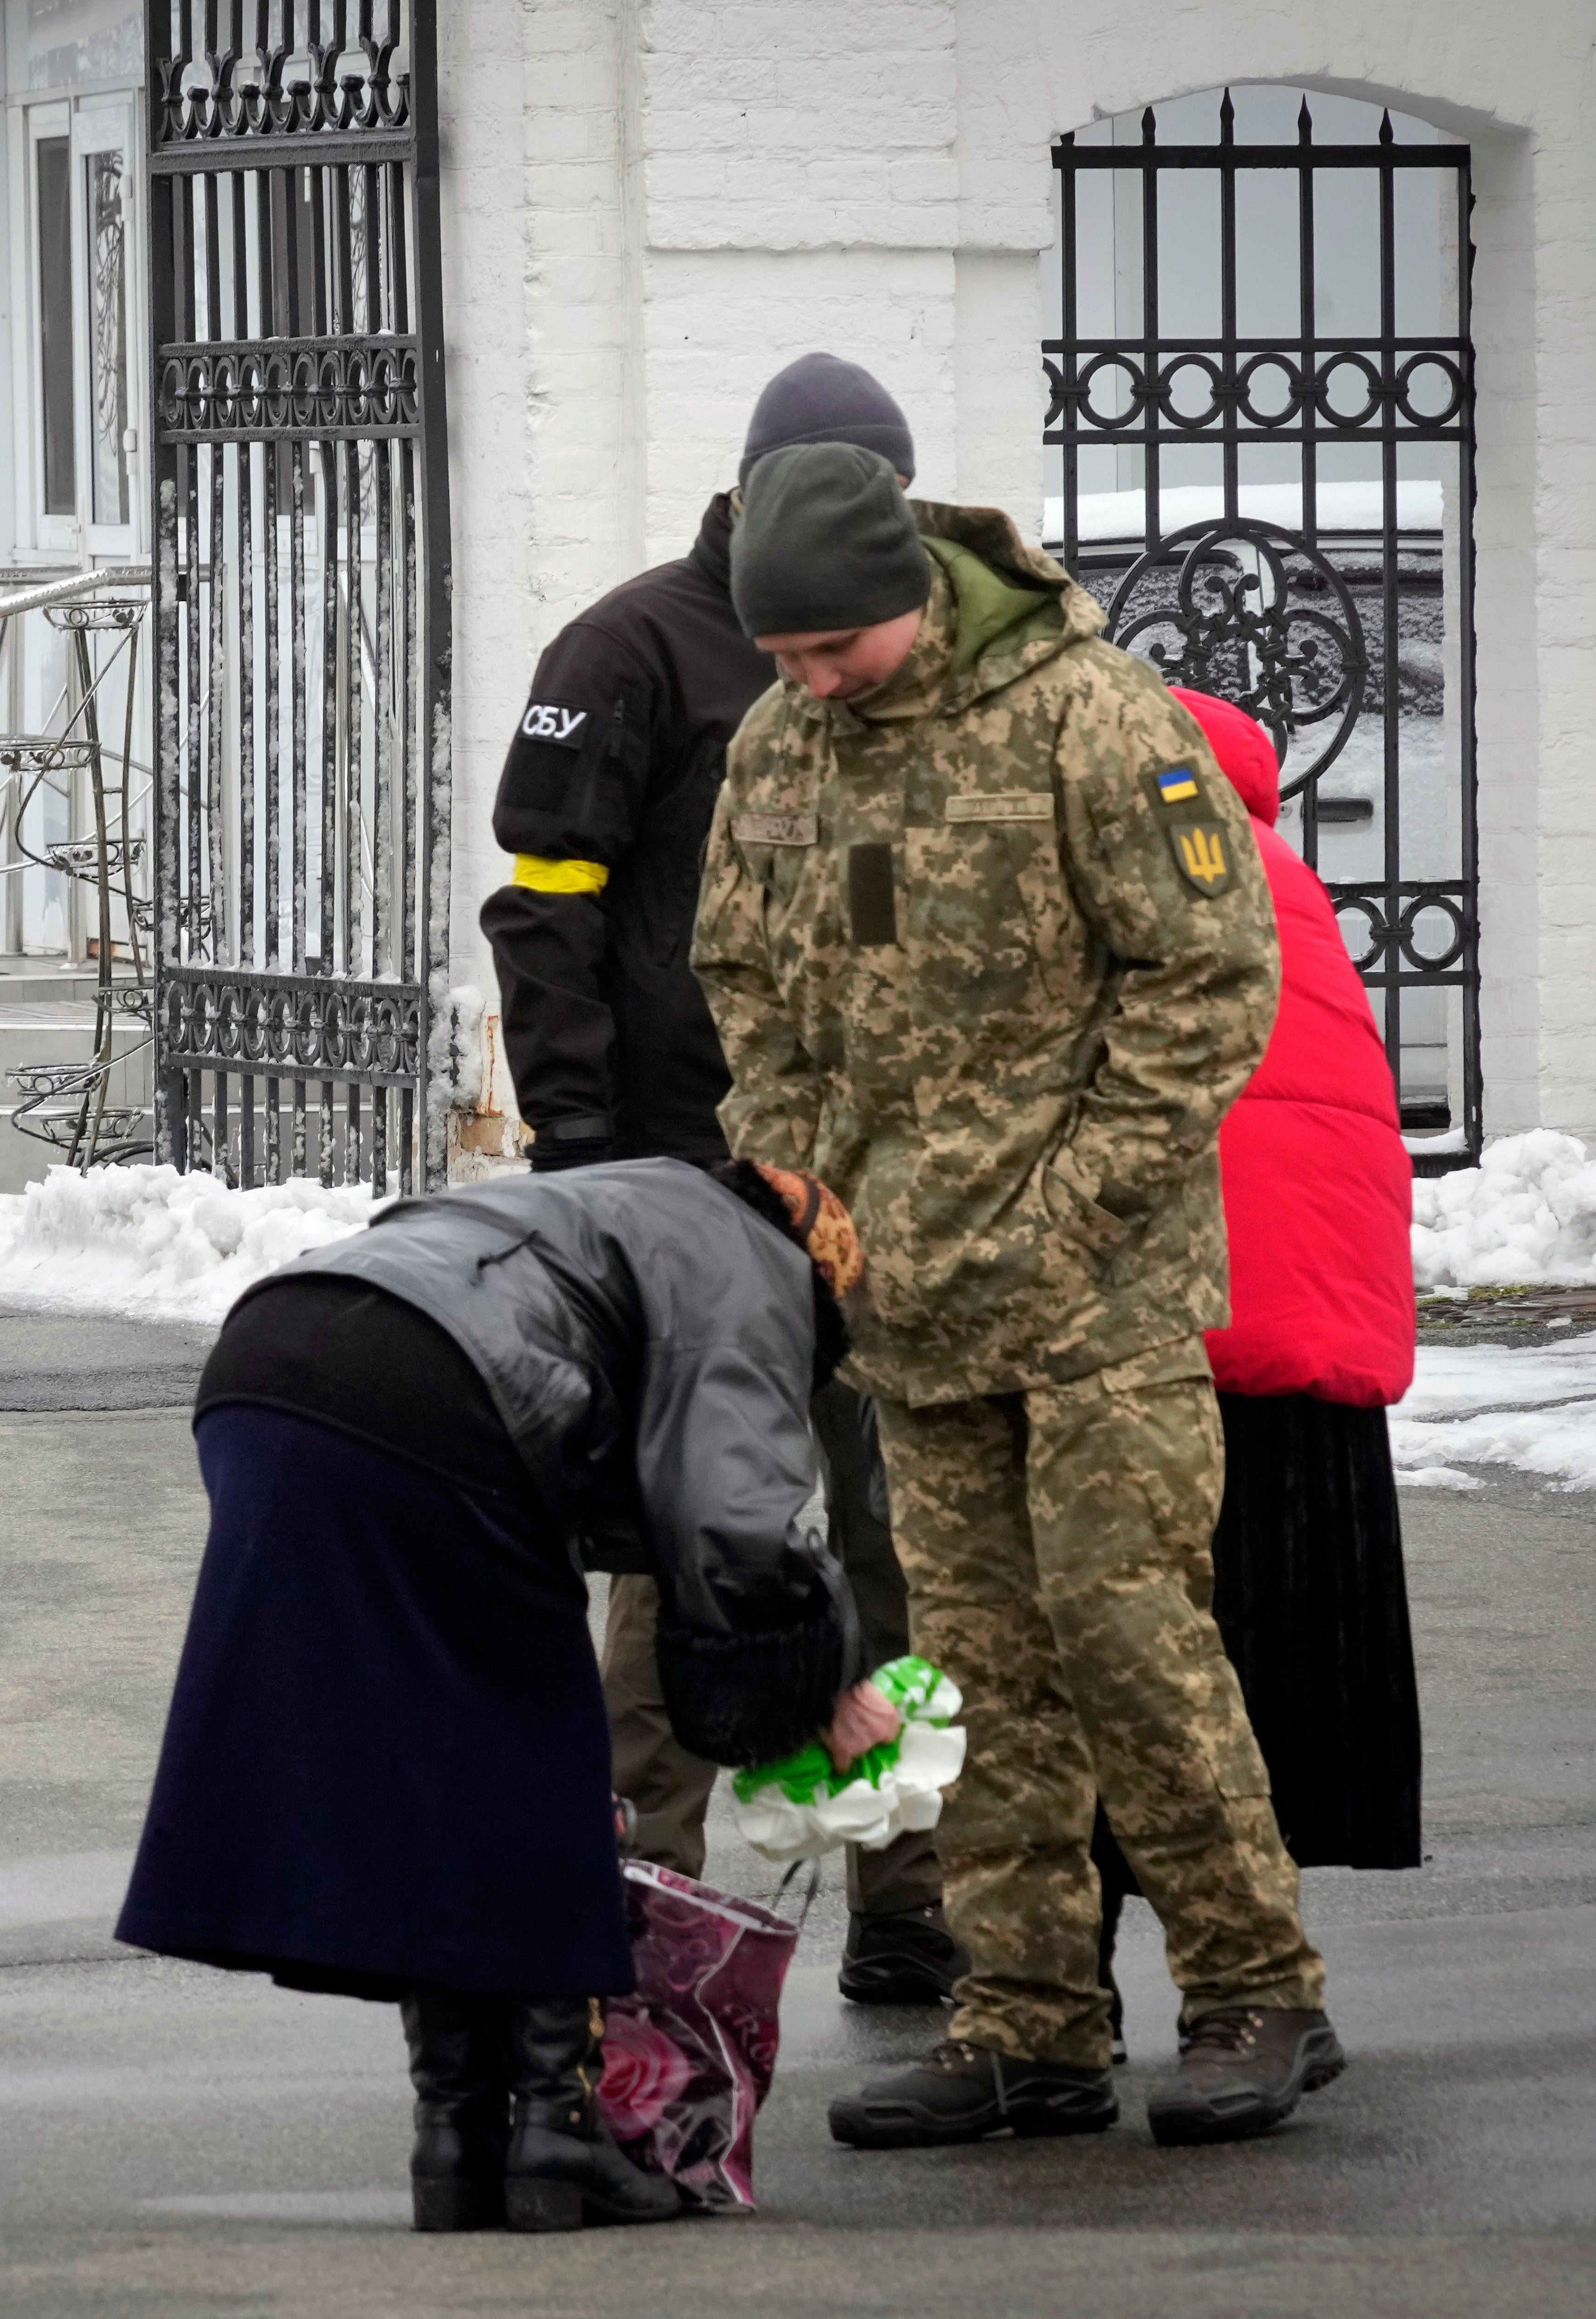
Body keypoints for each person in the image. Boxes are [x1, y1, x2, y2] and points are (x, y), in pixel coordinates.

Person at [696, 441, 1339, 2150]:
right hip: (899, 1286)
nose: (813, 680)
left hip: (1094, 1286)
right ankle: (1031, 2019)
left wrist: (1069, 1205)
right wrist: (791, 1164)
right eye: (786, 656)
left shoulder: (1094, 718)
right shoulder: (777, 746)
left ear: (913, 593)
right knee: (973, 1666)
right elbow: (740, 978)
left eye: (837, 647)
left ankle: (1255, 1984)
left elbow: (1209, 987)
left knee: (1127, 1636)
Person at [117, 1157, 891, 2233]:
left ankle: (458, 2136)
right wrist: (825, 1671)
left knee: (443, 1778)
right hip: (434, 1393)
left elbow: (641, 1490)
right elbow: (735, 1515)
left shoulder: (613, 1202)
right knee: (540, 1764)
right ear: (821, 1284)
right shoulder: (760, 1264)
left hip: (269, 1365)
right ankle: (555, 2134)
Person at [483, 352, 961, 2007]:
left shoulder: (907, 659)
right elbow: (541, 913)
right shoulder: (630, 650)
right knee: (682, 1545)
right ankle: (639, 1885)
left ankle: (911, 1897)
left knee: (895, 1547)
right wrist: (588, 1161)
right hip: (685, 1189)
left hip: (869, 1194)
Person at [1089, 688, 1424, 2029]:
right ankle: (1248, 1972)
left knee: (1135, 1663)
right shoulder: (1280, 879)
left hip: (1174, 1330)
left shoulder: (1130, 881)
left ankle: (1107, 1975)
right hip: (1314, 1341)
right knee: (1267, 1677)